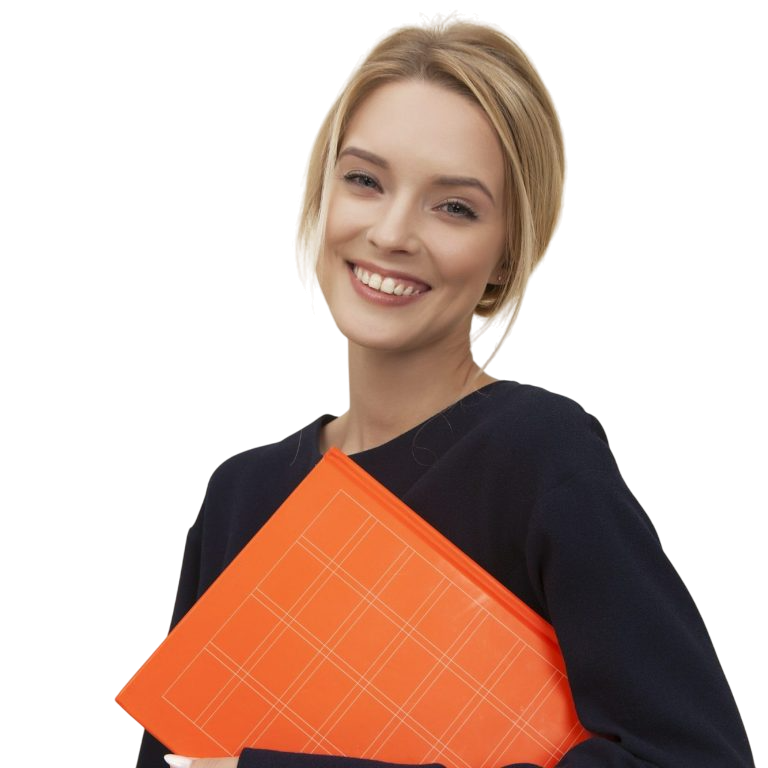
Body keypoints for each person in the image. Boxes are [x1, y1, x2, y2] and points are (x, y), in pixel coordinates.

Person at [136, 12, 753, 768]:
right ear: (322, 192)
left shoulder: (538, 455)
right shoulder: (241, 495)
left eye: (454, 206)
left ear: (507, 254)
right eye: (364, 180)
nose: (393, 233)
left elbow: (695, 760)